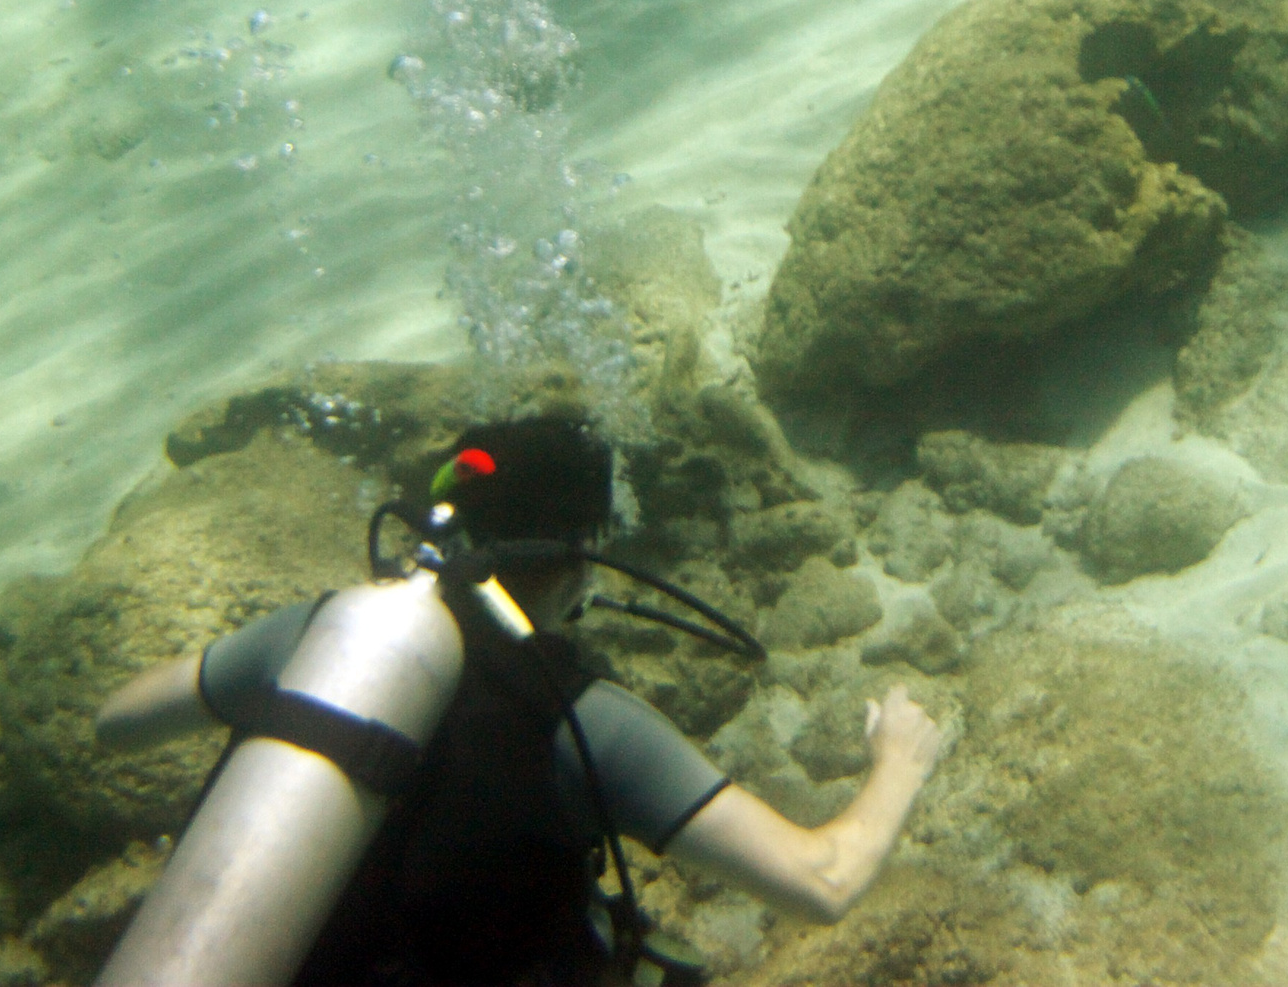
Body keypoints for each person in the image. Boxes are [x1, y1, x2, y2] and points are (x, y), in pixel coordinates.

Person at [94, 414, 943, 986]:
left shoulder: (318, 635)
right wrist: (898, 761)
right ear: (579, 556)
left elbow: (117, 719)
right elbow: (822, 881)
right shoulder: (582, 719)